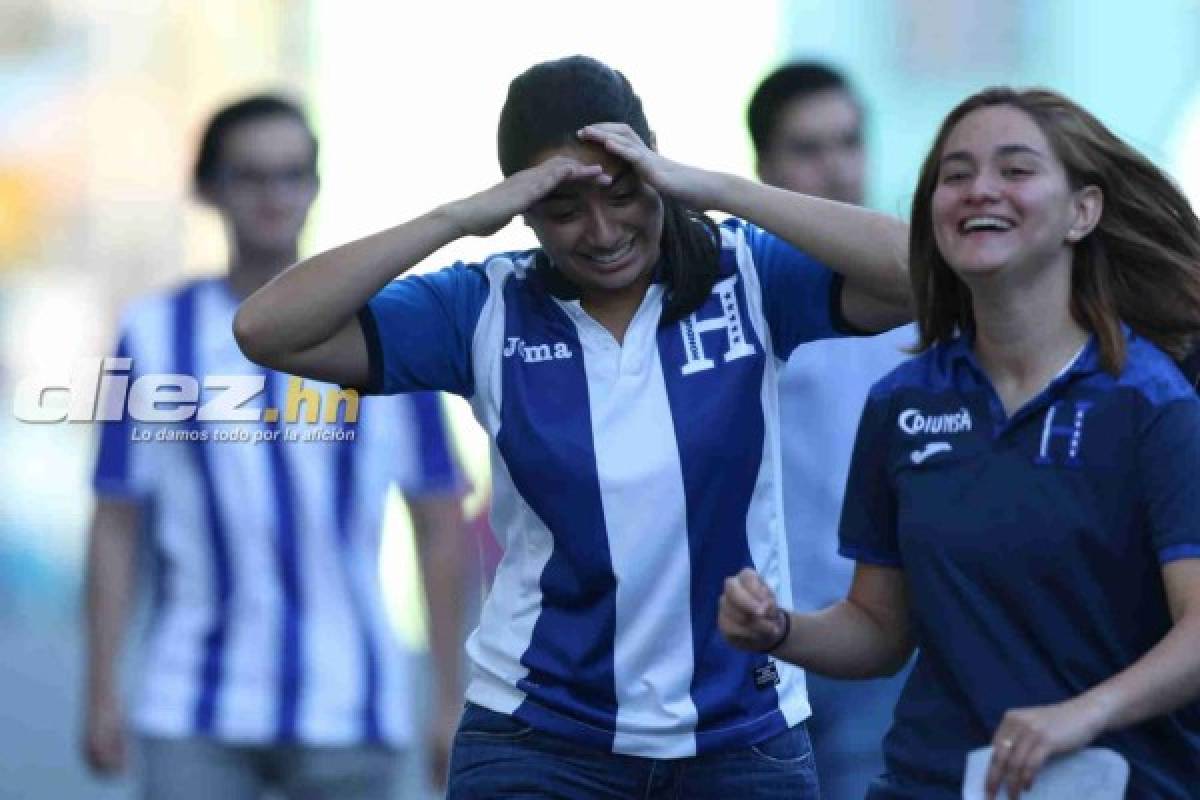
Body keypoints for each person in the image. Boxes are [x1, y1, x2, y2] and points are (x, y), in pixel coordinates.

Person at [232, 55, 911, 799]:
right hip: (539, 741)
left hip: (740, 739)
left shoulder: (744, 275)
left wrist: (712, 187)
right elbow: (269, 329)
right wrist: (457, 218)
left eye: (626, 195)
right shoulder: (481, 308)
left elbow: (927, 276)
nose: (602, 231)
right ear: (522, 210)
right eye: (563, 210)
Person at [720, 86, 1200, 799]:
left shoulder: (1153, 401)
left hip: (1124, 779)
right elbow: (881, 629)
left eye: (1014, 170)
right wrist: (780, 629)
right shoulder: (904, 401)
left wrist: (1080, 715)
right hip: (930, 780)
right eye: (956, 173)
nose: (981, 190)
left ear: (1083, 210)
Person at [81, 94, 466, 799]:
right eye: (251, 176)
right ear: (209, 189)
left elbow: (438, 519)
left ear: (316, 185)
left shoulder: (386, 325)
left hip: (350, 701)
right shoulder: (152, 333)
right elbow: (115, 521)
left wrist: (448, 699)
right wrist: (101, 687)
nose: (275, 196)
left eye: (293, 174)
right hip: (192, 704)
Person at [747, 61, 913, 800]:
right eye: (808, 148)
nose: (836, 166)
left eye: (848, 142)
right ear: (763, 165)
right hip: (760, 639)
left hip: (884, 640)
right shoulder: (738, 294)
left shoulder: (920, 294)